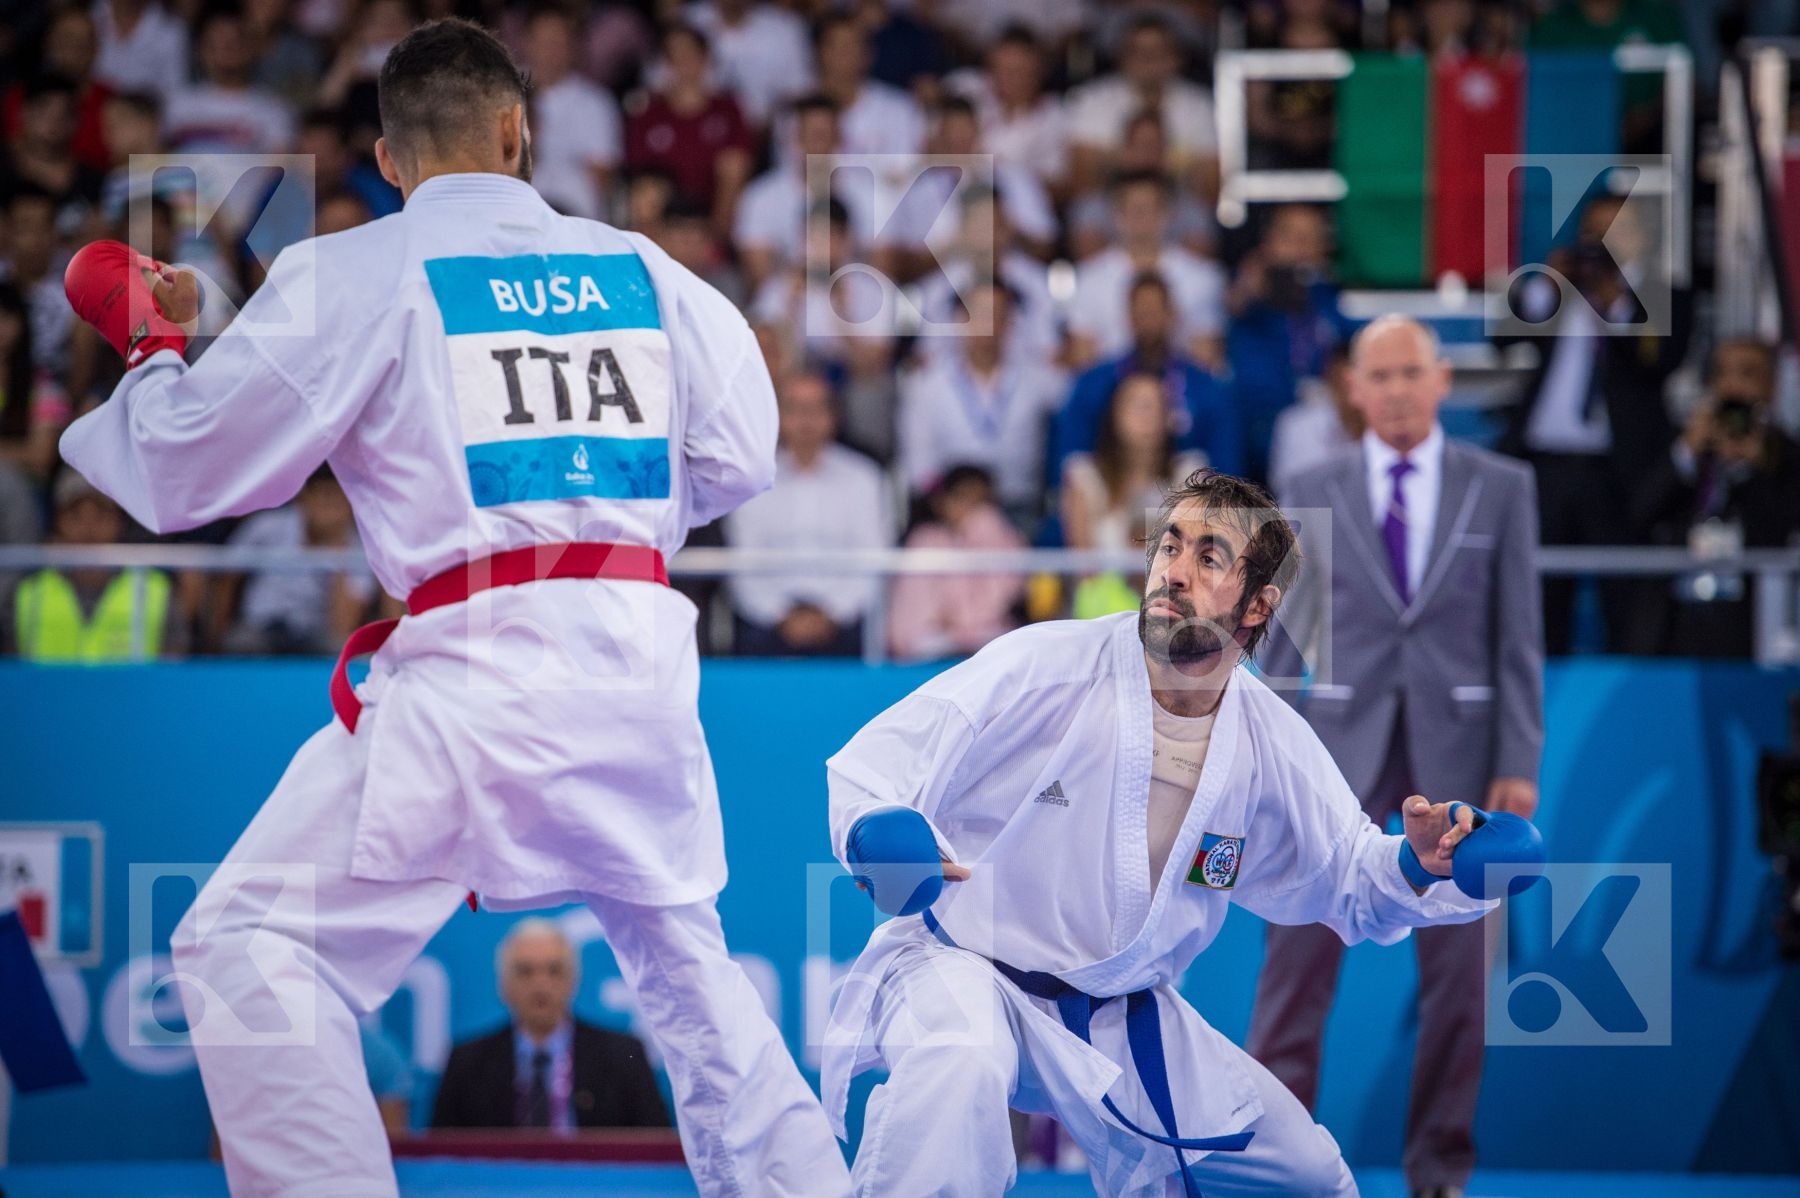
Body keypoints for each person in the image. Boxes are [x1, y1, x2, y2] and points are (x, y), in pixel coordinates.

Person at [57, 19, 849, 1197]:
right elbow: (742, 458)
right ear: (519, 130)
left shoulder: (355, 269)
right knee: (691, 974)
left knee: (247, 947)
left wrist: (158, 341)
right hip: (635, 657)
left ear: (388, 159)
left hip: (475, 668)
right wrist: (597, 507)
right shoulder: (651, 272)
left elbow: (180, 473)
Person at [820, 466, 1506, 1197]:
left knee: (1307, 1179)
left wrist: (1422, 863)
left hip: (1123, 1014)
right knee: (959, 1064)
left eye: (1209, 558)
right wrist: (876, 829)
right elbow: (877, 765)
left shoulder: (1268, 742)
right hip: (964, 970)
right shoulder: (1046, 665)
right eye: (1169, 545)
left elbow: (1352, 877)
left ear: (1256, 604)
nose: (1174, 572)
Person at [1250, 316, 1544, 1198]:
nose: (1398, 390)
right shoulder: (1309, 483)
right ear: (1354, 388)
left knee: (1459, 974)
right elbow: (1281, 641)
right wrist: (1258, 750)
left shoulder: (1503, 487)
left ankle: (1440, 1170)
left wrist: (1519, 755)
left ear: (1443, 379)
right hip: (1332, 747)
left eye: (1412, 372)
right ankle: (1272, 1158)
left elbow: (1519, 633)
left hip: (1463, 749)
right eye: (1380, 375)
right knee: (1296, 957)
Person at [1496, 192, 1689, 653]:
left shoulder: (1665, 296)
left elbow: (1660, 360)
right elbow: (1503, 337)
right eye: (1592, 232)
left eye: (1615, 231)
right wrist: (1550, 282)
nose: (1600, 244)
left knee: (1626, 597)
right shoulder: (1560, 292)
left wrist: (1614, 300)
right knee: (1538, 597)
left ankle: (1628, 701)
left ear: (1644, 238)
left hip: (1619, 472)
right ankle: (1540, 699)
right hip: (1545, 464)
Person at [1631, 339, 1800, 658]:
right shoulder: (1685, 446)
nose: (1732, 386)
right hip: (1677, 623)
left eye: (1747, 374)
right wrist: (1685, 455)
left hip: (1754, 628)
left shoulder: (1787, 458)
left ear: (1772, 387)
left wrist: (1755, 469)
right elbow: (1640, 514)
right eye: (1722, 374)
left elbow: (1782, 531)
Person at [432, 919, 669, 1130]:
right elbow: (441, 1159)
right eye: (526, 972)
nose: (541, 984)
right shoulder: (467, 1062)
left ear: (573, 980)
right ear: (504, 984)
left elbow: (655, 1153)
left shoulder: (623, 1055)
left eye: (554, 971)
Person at [725, 370, 889, 657]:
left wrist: (832, 614)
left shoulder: (863, 478)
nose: (806, 420)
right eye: (795, 409)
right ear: (777, 416)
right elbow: (743, 565)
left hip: (842, 620)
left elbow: (872, 561)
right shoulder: (754, 479)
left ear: (834, 416)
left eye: (815, 409)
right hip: (769, 622)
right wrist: (781, 616)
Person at [896, 279, 1066, 531]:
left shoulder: (1043, 383)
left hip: (1019, 510)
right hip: (947, 514)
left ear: (1010, 323)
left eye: (996, 314)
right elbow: (918, 466)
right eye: (977, 314)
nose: (987, 324)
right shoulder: (927, 386)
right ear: (958, 320)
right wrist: (953, 503)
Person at [1053, 271, 1241, 482]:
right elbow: (1071, 462)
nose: (1148, 321)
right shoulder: (1093, 384)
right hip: (1111, 496)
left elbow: (1227, 471)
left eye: (1154, 311)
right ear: (1128, 316)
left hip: (1186, 498)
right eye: (1141, 312)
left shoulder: (1207, 388)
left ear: (1172, 314)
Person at [1061, 370, 1206, 619]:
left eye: (1154, 405)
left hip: (1174, 612)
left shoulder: (1191, 475)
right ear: (1114, 414)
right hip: (1102, 616)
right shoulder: (1083, 477)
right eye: (1137, 405)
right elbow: (1085, 571)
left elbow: (1197, 557)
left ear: (1169, 416)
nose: (1146, 415)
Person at [1225, 203, 1352, 485]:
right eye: (1291, 237)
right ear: (1268, 243)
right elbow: (1232, 307)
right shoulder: (1247, 293)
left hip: (1315, 434)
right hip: (1254, 427)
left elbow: (1349, 348)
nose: (1300, 247)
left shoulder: (1326, 300)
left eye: (1310, 238)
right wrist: (1248, 289)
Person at [6, 470, 180, 662]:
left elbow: (171, 676)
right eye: (75, 515)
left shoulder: (156, 592)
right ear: (57, 524)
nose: (88, 528)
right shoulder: (27, 594)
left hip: (134, 693)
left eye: (101, 515)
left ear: (120, 523)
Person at [1065, 171, 1226, 370]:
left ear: (1168, 214)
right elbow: (1082, 360)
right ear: (1116, 215)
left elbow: (1206, 359)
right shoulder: (1089, 278)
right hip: (1110, 391)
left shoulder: (1203, 277)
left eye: (1149, 209)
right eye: (1132, 209)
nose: (1141, 218)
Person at [216, 466, 378, 656]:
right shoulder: (266, 526)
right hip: (260, 628)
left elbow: (342, 627)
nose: (332, 510)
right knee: (238, 643)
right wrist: (213, 641)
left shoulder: (360, 550)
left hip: (314, 635)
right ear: (304, 499)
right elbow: (226, 578)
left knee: (341, 650)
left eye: (340, 501)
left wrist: (340, 558)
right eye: (325, 497)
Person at [887, 465, 1026, 663]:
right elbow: (913, 610)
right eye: (962, 498)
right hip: (934, 640)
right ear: (942, 502)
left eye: (980, 502)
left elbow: (1002, 598)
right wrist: (951, 625)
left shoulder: (1004, 540)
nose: (971, 509)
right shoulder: (925, 539)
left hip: (985, 638)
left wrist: (986, 533)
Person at [518, 3, 624, 220]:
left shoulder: (596, 102)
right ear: (527, 43)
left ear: (573, 46)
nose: (550, 51)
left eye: (558, 42)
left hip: (575, 216)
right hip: (517, 209)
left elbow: (602, 178)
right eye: (544, 42)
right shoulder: (504, 92)